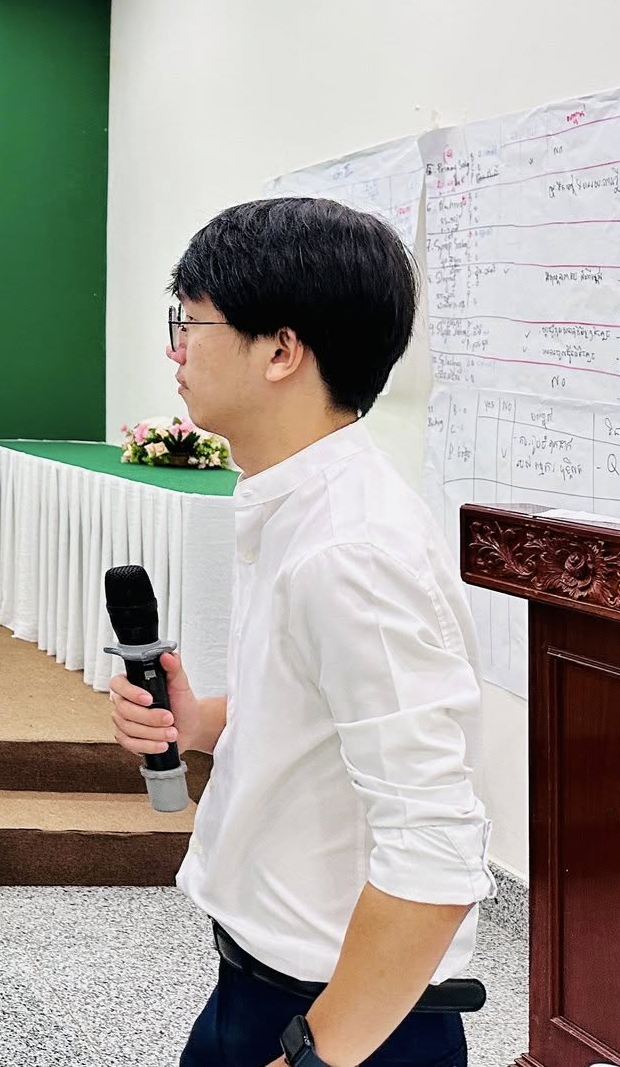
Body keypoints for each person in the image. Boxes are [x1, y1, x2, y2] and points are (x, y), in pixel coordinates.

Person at [111, 198, 491, 1067]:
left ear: (281, 350)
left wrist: (319, 1054)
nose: (175, 349)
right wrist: (203, 722)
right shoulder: (297, 502)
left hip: (351, 1023)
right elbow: (322, 717)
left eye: (191, 323)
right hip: (263, 985)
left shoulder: (353, 550)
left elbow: (436, 849)